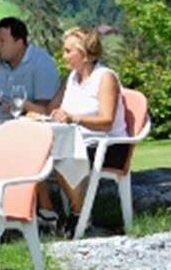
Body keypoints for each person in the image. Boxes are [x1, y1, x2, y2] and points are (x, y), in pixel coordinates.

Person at [28, 27, 129, 217]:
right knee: (33, 150)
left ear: (85, 55)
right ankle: (46, 210)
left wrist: (74, 118)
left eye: (68, 51)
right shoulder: (72, 78)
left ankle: (79, 214)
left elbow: (107, 122)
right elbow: (50, 110)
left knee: (60, 156)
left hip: (107, 145)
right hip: (78, 141)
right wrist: (25, 106)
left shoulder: (105, 77)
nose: (63, 56)